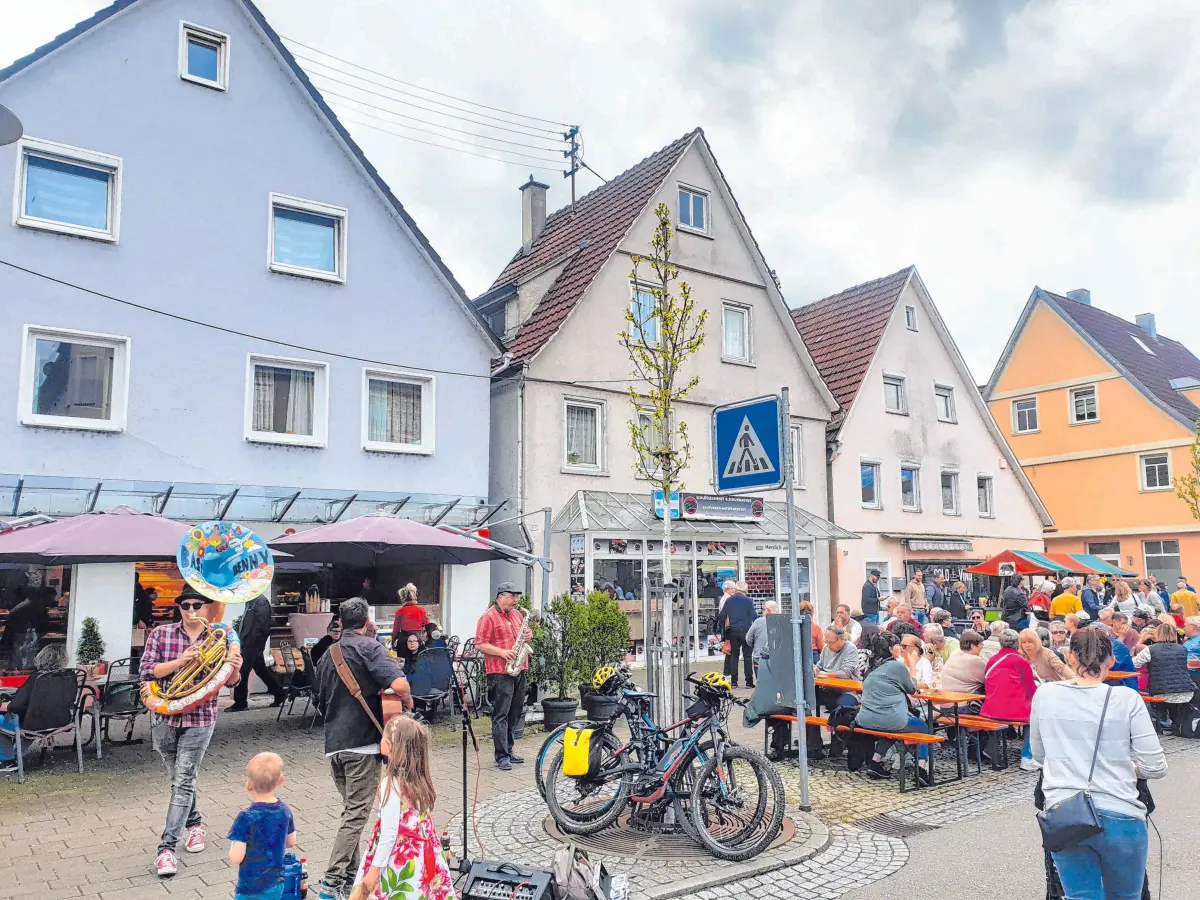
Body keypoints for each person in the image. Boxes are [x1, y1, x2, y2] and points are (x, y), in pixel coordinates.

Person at [1030, 629, 1167, 899]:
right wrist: (1129, 767)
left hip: (1066, 813)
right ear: (1111, 660)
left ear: (1070, 658)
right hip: (1120, 811)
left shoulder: (1045, 695)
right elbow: (1155, 765)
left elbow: (1040, 756)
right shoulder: (1126, 699)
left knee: (1079, 896)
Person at [140, 587, 244, 877]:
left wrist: (235, 669)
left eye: (198, 604)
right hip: (165, 716)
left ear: (208, 607)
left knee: (183, 779)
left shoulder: (220, 638)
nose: (191, 610)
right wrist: (181, 662)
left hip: (201, 717)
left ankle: (167, 849)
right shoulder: (161, 634)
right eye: (185, 605)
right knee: (179, 779)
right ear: (179, 608)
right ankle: (194, 824)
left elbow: (231, 681)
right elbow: (147, 671)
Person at [313, 598, 412, 900]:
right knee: (356, 815)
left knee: (350, 813)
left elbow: (318, 699)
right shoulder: (371, 647)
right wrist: (406, 703)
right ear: (368, 620)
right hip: (364, 745)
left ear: (340, 623)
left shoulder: (326, 655)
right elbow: (401, 684)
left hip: (334, 746)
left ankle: (347, 882)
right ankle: (330, 884)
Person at [350, 716, 456, 900]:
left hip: (398, 858)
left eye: (384, 737)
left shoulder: (391, 786)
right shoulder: (420, 780)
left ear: (393, 747)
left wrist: (374, 871)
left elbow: (390, 833)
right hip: (422, 856)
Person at [855, 632, 933, 784]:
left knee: (890, 725)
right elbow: (912, 688)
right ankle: (921, 770)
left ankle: (875, 762)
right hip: (889, 719)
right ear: (891, 649)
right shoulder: (896, 666)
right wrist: (912, 666)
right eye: (900, 645)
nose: (901, 648)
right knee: (923, 727)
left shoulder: (873, 664)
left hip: (865, 718)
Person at [475, 583, 533, 771]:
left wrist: (528, 636)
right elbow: (480, 644)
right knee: (501, 713)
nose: (516, 600)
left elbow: (524, 636)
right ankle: (501, 756)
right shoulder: (488, 617)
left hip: (519, 668)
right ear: (500, 596)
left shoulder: (517, 615)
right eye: (512, 596)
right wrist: (502, 652)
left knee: (516, 711)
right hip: (500, 671)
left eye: (517, 596)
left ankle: (509, 749)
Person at [228, 752, 296, 900]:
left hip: (249, 887)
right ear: (281, 780)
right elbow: (291, 842)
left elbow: (236, 857)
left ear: (249, 784)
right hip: (275, 884)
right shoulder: (285, 811)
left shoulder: (246, 817)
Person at [980, 629, 1038, 770]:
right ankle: (1028, 757)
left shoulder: (993, 660)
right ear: (1017, 643)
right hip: (1014, 709)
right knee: (1035, 719)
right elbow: (1031, 689)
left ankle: (990, 748)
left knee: (1002, 719)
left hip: (992, 707)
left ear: (1000, 643)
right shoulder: (1021, 661)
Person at [0, 644, 68, 763]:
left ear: (41, 658)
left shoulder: (37, 678)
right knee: (30, 719)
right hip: (61, 720)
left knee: (7, 721)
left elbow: (19, 704)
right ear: (64, 659)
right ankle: (17, 755)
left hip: (34, 723)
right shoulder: (69, 676)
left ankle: (7, 759)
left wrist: (8, 706)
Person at [809, 625, 862, 760]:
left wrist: (825, 674)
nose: (828, 645)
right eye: (826, 641)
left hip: (847, 691)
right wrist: (815, 669)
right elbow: (820, 665)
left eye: (831, 642)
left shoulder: (850, 649)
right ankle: (814, 745)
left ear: (841, 639)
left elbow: (846, 672)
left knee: (842, 709)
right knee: (806, 704)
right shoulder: (826, 649)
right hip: (827, 689)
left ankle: (837, 746)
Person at [228, 591, 286, 712]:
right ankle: (280, 693)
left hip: (252, 643)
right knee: (261, 670)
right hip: (250, 642)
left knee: (243, 670)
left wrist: (251, 644)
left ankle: (240, 702)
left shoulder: (260, 601)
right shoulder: (252, 600)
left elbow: (261, 626)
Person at [1134, 620, 1194, 731]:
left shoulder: (1151, 650)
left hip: (1161, 690)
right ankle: (1176, 722)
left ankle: (1162, 720)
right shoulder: (1182, 648)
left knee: (1158, 695)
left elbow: (1135, 663)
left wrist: (1140, 642)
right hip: (1185, 689)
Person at [716, 580, 758, 688]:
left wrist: (725, 627)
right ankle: (749, 682)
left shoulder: (729, 600)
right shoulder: (748, 601)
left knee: (734, 656)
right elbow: (754, 616)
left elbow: (721, 616)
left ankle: (734, 682)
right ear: (745, 590)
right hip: (746, 630)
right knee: (747, 656)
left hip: (733, 631)